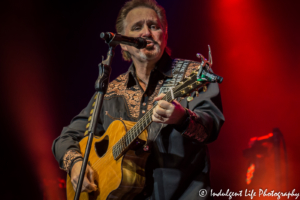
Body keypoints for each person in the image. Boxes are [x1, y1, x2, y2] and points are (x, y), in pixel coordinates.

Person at [52, 0, 225, 199]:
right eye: (137, 27)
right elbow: (65, 139)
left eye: (153, 26)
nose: (146, 33)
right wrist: (75, 165)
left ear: (165, 34)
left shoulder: (194, 73)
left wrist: (182, 117)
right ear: (123, 44)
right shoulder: (110, 91)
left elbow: (210, 129)